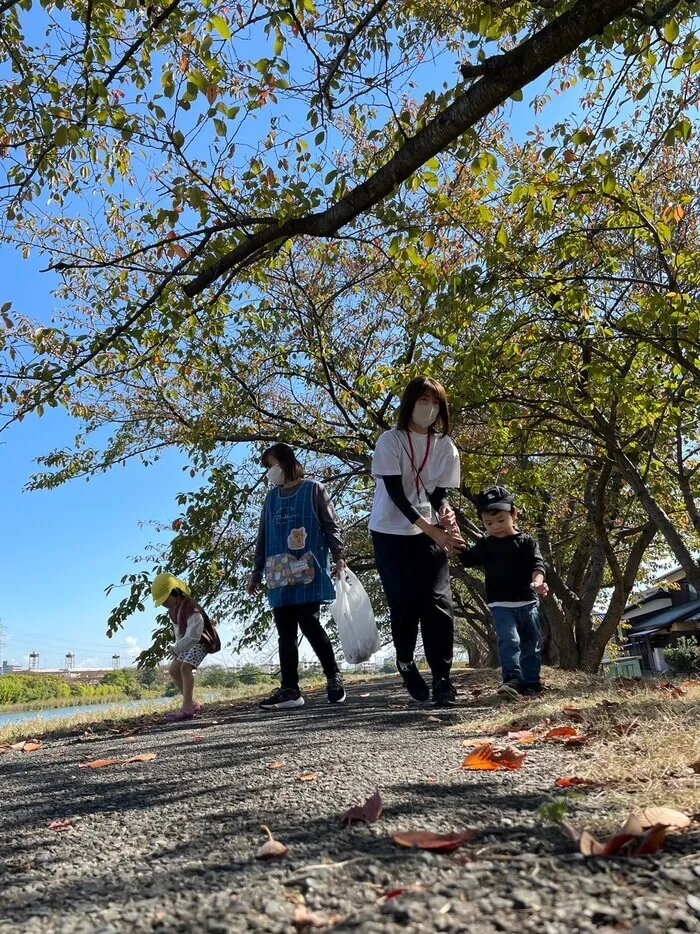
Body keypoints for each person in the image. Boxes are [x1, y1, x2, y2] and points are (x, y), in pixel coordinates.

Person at [369, 376, 465, 707]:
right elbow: (396, 493)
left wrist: (445, 512)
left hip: (428, 530)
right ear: (410, 403)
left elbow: (438, 492)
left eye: (435, 402)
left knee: (438, 603)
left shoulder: (446, 447)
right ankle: (406, 662)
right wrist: (433, 529)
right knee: (405, 603)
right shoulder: (390, 441)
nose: (429, 408)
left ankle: (442, 679)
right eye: (423, 400)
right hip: (389, 531)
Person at [248, 443, 347, 710]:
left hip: (307, 568)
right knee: (285, 632)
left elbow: (330, 525)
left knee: (309, 623)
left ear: (285, 461)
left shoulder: (314, 489)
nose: (270, 471)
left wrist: (338, 556)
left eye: (271, 465)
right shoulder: (271, 498)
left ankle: (333, 676)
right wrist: (256, 572)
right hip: (278, 571)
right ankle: (290, 689)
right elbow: (263, 536)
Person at [459, 486, 548, 698]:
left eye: (500, 520)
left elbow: (538, 565)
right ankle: (512, 680)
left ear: (514, 514)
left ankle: (532, 682)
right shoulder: (485, 544)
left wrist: (538, 582)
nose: (496, 527)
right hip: (500, 604)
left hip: (528, 603)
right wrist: (455, 540)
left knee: (531, 644)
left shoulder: (526, 542)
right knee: (509, 641)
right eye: (488, 523)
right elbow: (467, 559)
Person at [151, 572, 222, 721]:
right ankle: (192, 703)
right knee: (173, 669)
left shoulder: (191, 607)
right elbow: (179, 633)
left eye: (165, 599)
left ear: (174, 592)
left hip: (202, 641)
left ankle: (187, 708)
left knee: (185, 667)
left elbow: (194, 634)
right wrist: (178, 647)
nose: (163, 604)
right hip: (187, 642)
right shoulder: (173, 611)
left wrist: (178, 648)